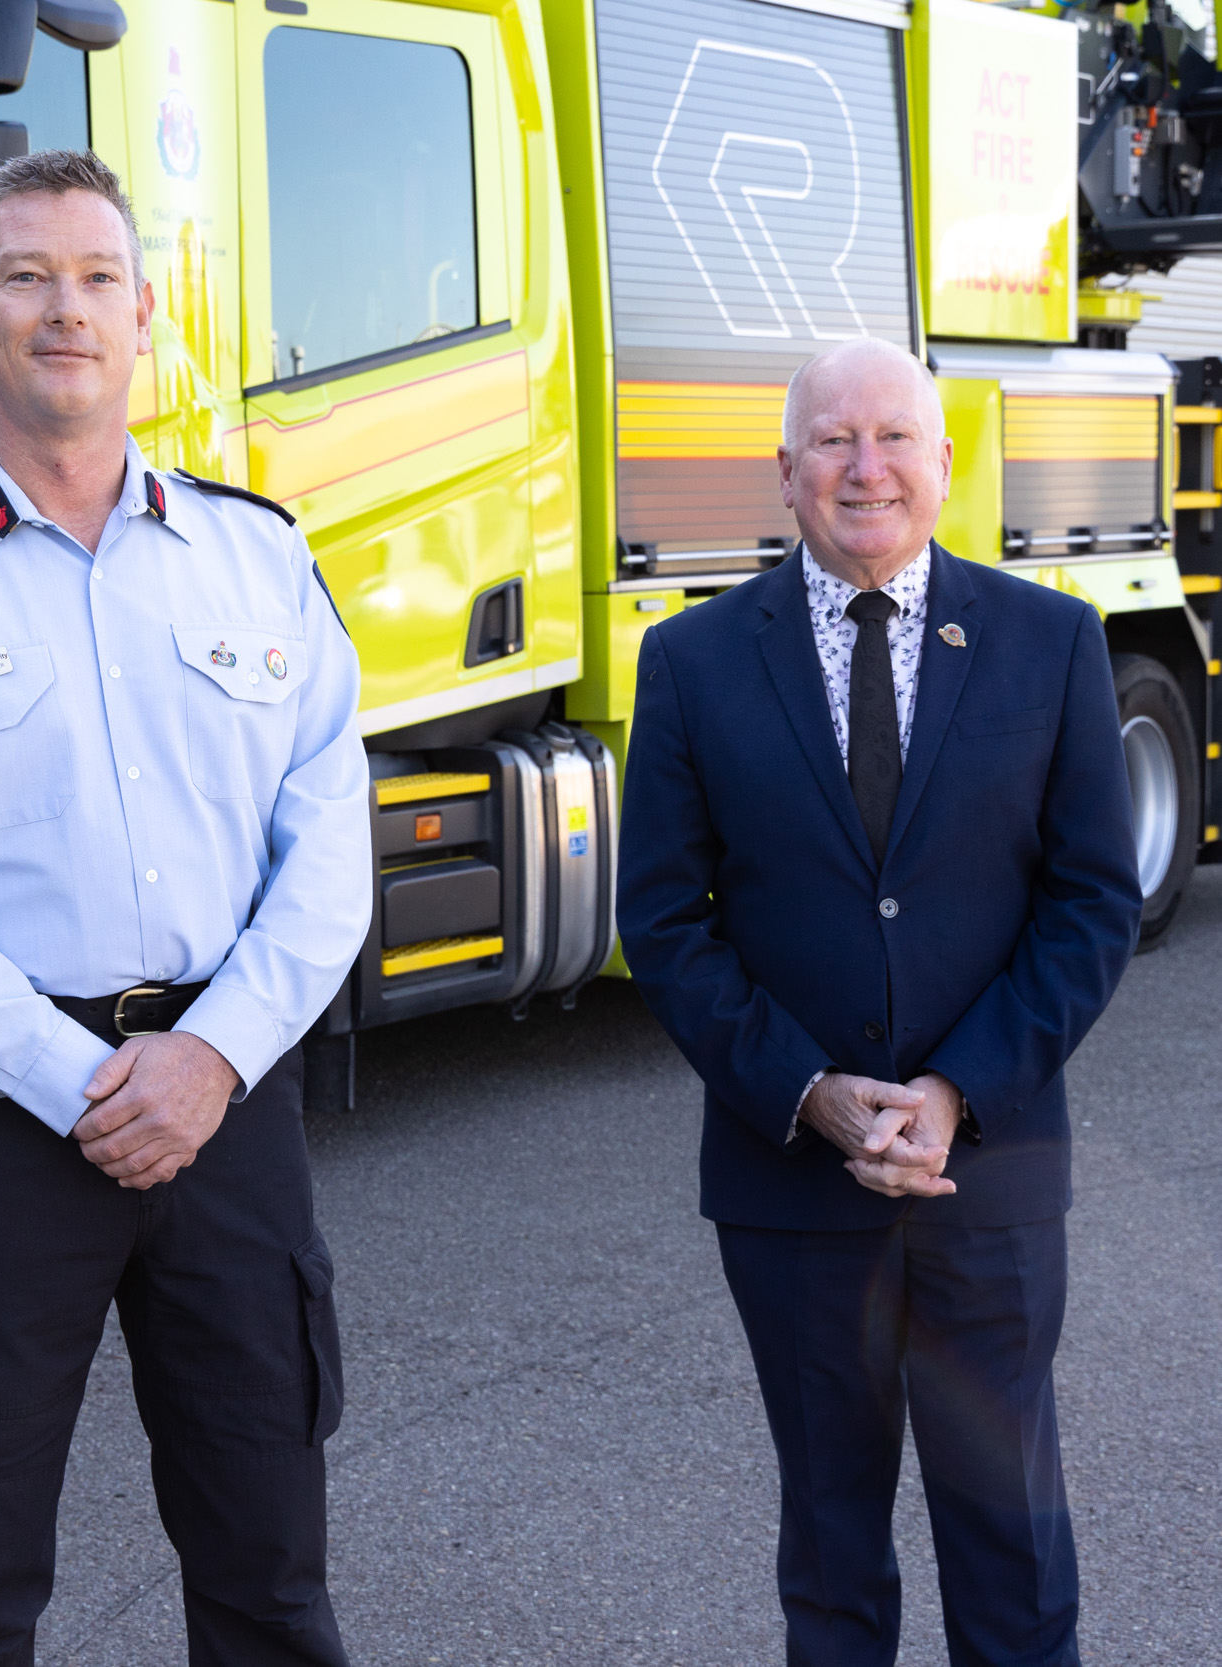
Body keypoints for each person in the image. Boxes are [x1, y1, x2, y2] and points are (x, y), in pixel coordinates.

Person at [0, 150, 371, 1666]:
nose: (67, 310)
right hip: (1, 1124)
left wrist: (213, 1057)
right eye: (29, 279)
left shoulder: (258, 556)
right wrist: (79, 1085)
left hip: (228, 1109)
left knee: (270, 1570)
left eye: (98, 278)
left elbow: (327, 838)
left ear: (146, 313)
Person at [617, 336, 1140, 1667]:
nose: (866, 467)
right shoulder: (691, 664)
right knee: (834, 1557)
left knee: (1012, 1552)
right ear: (785, 471)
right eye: (835, 441)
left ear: (946, 465)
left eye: (895, 437)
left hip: (991, 1176)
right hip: (792, 1186)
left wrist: (957, 1090)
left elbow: (1091, 902)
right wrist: (809, 1094)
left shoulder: (1051, 641)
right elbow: (668, 925)